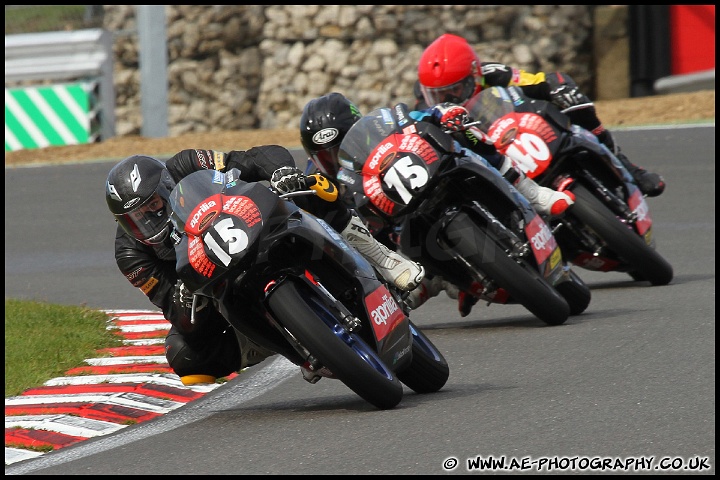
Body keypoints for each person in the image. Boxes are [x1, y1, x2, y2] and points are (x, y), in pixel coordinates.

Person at [105, 147, 423, 386]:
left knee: (315, 189)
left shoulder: (187, 163)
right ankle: (299, 347)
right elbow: (174, 311)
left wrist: (279, 171)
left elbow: (246, 160)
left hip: (248, 222)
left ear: (165, 186)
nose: (151, 219)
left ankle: (381, 258)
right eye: (139, 218)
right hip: (217, 282)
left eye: (155, 205)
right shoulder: (131, 255)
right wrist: (184, 295)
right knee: (183, 352)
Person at [298, 92, 567, 317]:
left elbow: (415, 116)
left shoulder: (380, 125)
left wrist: (442, 113)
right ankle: (440, 278)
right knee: (397, 281)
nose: (335, 158)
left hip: (426, 172)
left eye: (341, 146)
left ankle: (529, 191)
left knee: (464, 141)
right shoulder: (317, 180)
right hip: (392, 225)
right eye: (327, 155)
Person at [413, 32, 666, 198]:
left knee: (572, 99)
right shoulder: (422, 100)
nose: (448, 99)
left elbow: (539, 82)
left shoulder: (492, 74)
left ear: (473, 75)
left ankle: (627, 167)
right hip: (484, 156)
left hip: (519, 134)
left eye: (455, 89)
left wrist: (558, 88)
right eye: (438, 94)